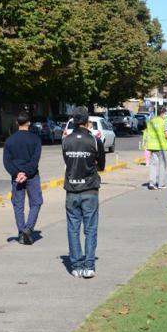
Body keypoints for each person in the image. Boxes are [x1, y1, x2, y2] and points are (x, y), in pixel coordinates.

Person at [62, 106, 106, 278]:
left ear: (74, 121)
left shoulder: (66, 140)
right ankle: (89, 266)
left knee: (73, 229)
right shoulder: (95, 141)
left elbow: (67, 160)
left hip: (72, 189)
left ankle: (76, 266)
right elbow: (101, 165)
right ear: (88, 122)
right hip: (90, 190)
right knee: (90, 229)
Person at [3, 111, 43, 245]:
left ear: (17, 123)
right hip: (32, 176)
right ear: (29, 123)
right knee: (36, 203)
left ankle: (21, 232)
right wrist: (26, 173)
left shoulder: (9, 140)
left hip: (17, 177)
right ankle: (28, 228)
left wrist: (17, 173)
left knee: (18, 205)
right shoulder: (35, 139)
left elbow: (6, 162)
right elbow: (35, 160)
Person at [146, 108, 167, 190]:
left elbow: (148, 133)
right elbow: (166, 135)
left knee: (153, 165)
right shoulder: (163, 122)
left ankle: (152, 183)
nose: (165, 115)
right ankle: (161, 184)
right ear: (162, 113)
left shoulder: (151, 122)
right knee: (162, 166)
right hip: (162, 147)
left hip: (152, 147)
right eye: (165, 113)